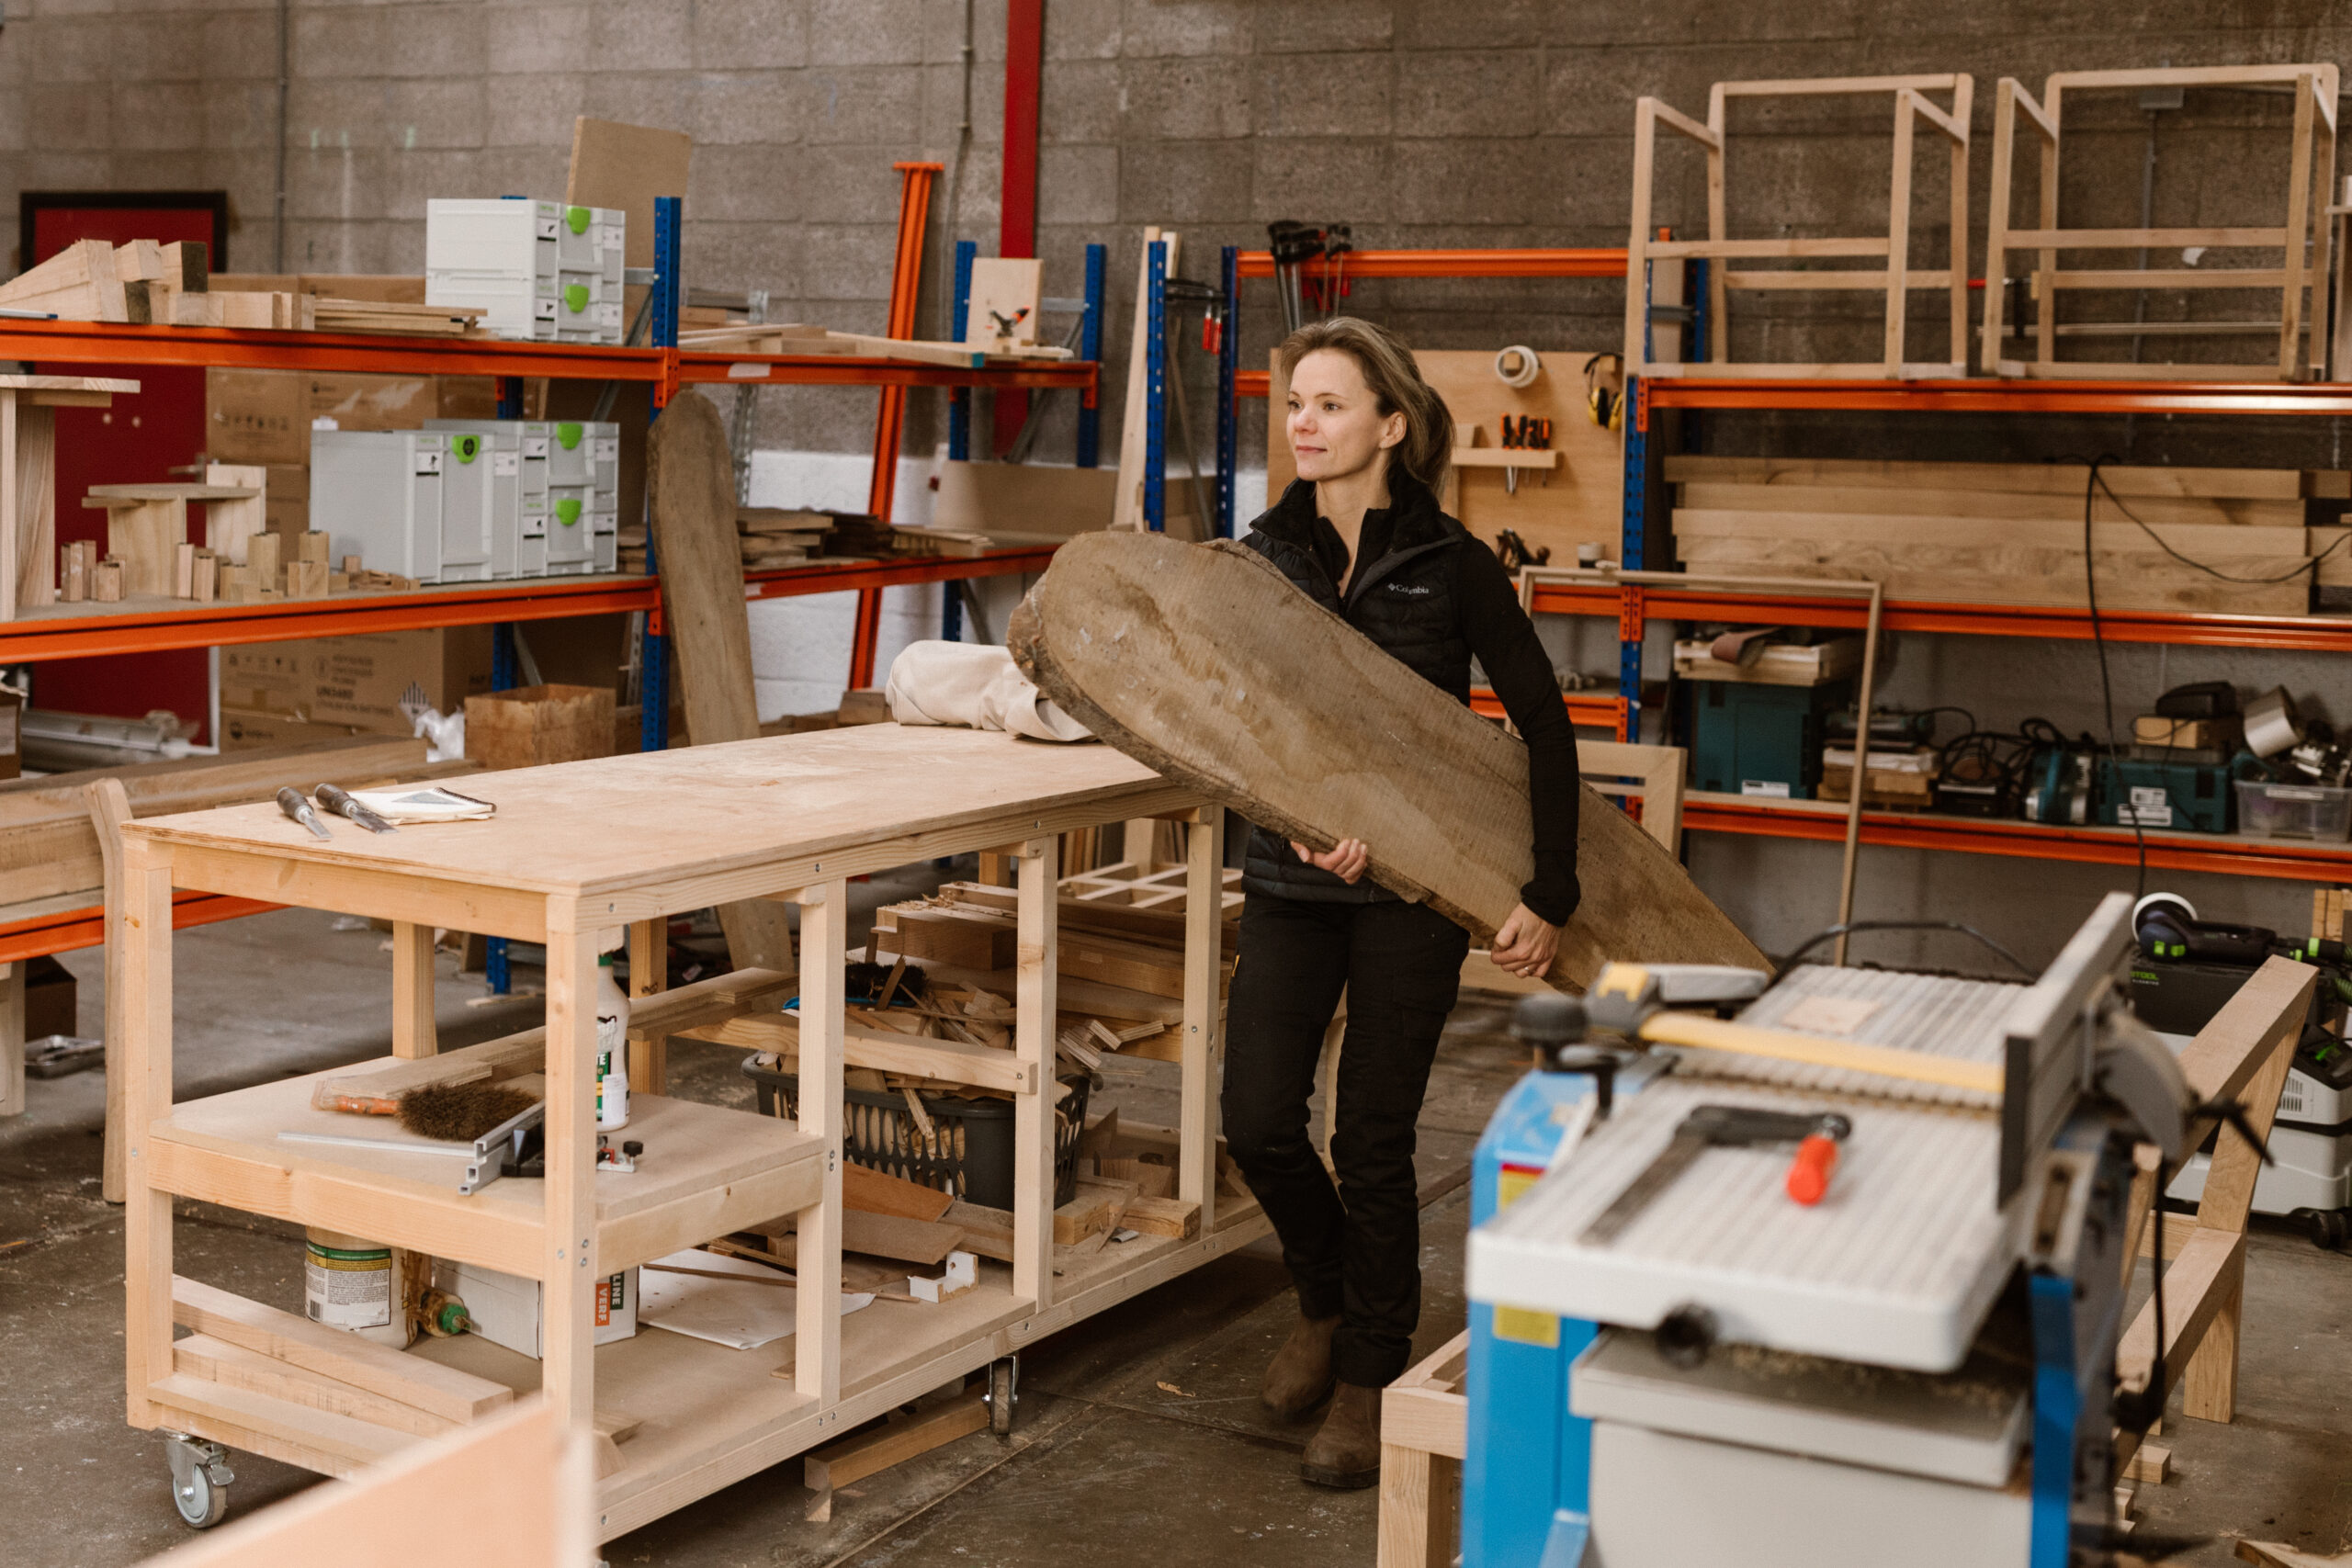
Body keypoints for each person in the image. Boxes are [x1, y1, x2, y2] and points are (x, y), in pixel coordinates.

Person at [1223, 317, 1583, 1489]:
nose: (1303, 426)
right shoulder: (1258, 557)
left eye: (1329, 405)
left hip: (1410, 897)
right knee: (1259, 1121)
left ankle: (1372, 1370)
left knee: (1370, 1142)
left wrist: (1551, 887)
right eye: (1293, 405)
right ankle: (1324, 1305)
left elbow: (1542, 721)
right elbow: (1226, 724)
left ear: (1390, 425)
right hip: (1290, 880)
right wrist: (1285, 821)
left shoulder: (1451, 562)